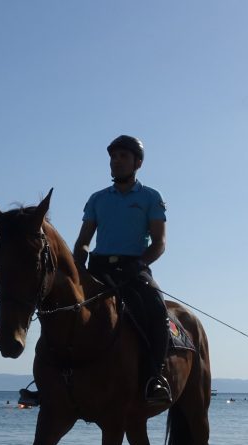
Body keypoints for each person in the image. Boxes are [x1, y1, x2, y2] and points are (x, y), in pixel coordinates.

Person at [72, 134, 171, 405]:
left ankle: (155, 378)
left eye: (123, 156)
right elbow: (83, 242)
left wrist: (139, 264)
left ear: (137, 162)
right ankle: (52, 379)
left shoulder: (151, 197)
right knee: (62, 305)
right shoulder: (97, 199)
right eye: (113, 157)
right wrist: (77, 262)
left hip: (134, 267)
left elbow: (159, 243)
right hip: (98, 267)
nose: (116, 161)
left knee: (157, 309)